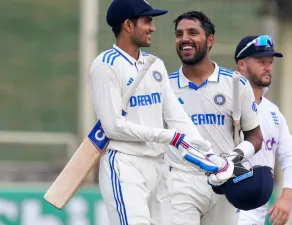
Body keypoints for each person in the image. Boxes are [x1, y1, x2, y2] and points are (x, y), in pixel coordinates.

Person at [90, 1, 233, 224]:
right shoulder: (106, 65)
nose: (153, 28)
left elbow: (177, 117)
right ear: (128, 25)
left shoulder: (154, 65)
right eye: (147, 21)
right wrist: (168, 137)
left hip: (158, 167)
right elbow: (113, 126)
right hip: (125, 166)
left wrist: (209, 154)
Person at [166, 11, 263, 225]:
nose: (184, 39)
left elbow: (255, 136)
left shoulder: (235, 84)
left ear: (210, 40)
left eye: (193, 32)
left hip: (224, 180)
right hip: (180, 181)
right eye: (179, 34)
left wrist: (233, 158)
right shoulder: (165, 86)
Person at [234, 35, 292, 225]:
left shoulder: (273, 111)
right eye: (261, 61)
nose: (268, 67)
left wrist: (287, 198)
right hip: (231, 209)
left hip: (259, 212)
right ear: (242, 65)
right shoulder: (227, 105)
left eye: (270, 62)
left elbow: (291, 157)